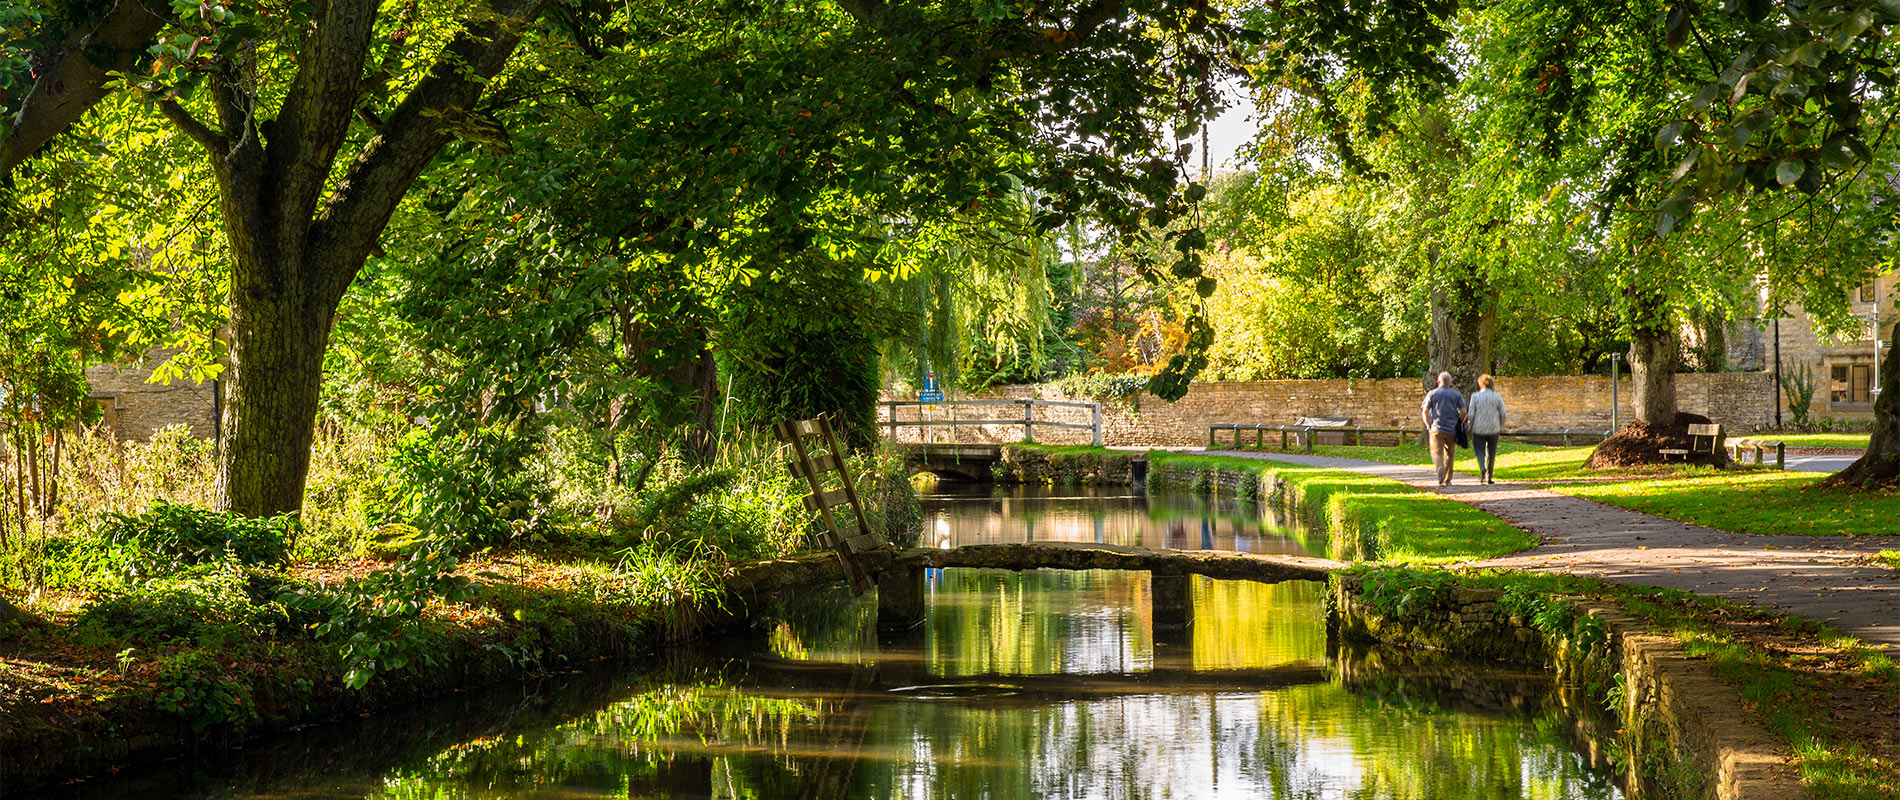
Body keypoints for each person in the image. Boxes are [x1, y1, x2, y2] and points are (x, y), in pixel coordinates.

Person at [1420, 372, 1466, 486]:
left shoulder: (1432, 393)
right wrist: (1460, 422)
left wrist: (1428, 425)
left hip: (1437, 428)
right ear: (1450, 382)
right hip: (1452, 429)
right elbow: (1464, 410)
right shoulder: (1456, 394)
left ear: (1438, 382)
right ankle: (1448, 479)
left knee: (1436, 452)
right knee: (1450, 454)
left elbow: (1425, 411)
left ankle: (1439, 468)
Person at [1467, 374, 1507, 484]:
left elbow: (1470, 414)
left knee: (1479, 451)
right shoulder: (1497, 397)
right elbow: (1503, 413)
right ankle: (1490, 476)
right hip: (1494, 428)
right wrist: (1500, 424)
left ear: (1480, 384)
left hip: (1478, 428)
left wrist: (1470, 425)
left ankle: (1482, 468)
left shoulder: (1475, 396)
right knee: (1492, 452)